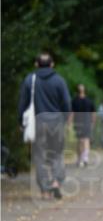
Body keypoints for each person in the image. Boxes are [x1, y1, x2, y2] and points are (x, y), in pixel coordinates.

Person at [18, 52, 71, 198]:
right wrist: (65, 119)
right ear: (52, 64)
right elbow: (66, 103)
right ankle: (56, 181)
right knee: (57, 154)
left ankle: (44, 190)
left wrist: (20, 123)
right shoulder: (59, 81)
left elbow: (23, 102)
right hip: (56, 123)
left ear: (36, 64)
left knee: (39, 156)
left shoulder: (30, 80)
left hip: (37, 123)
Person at [70, 84, 96, 167]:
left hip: (82, 122)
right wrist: (93, 122)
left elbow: (93, 112)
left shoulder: (84, 100)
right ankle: (83, 158)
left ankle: (82, 158)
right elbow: (72, 112)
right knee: (83, 140)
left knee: (83, 140)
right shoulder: (79, 101)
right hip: (82, 122)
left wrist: (93, 121)